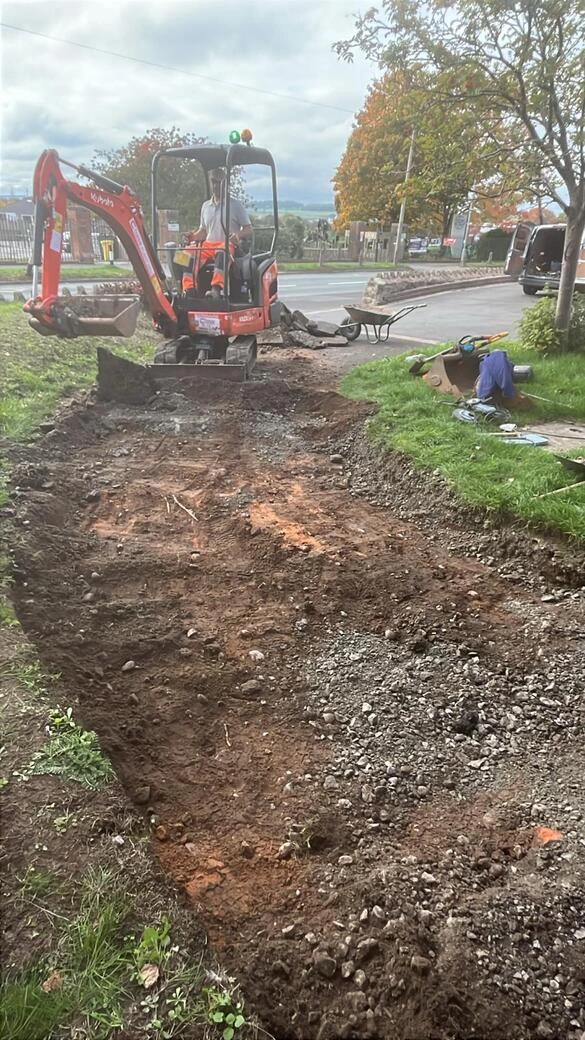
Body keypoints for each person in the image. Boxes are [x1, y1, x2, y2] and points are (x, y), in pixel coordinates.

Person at [183, 169, 253, 298]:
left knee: (222, 250)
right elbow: (203, 231)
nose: (216, 185)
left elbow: (249, 229)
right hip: (208, 246)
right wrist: (191, 237)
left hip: (227, 245)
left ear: (225, 183)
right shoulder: (205, 206)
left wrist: (237, 236)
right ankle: (189, 290)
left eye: (219, 182)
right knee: (186, 253)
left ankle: (216, 288)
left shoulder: (235, 205)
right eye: (213, 182)